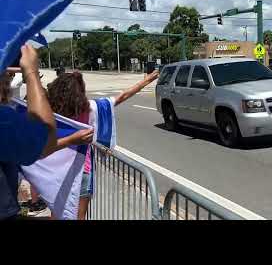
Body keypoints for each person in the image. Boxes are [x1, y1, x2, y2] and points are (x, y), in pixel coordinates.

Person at [47, 69, 159, 220]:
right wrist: (146, 81)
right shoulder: (90, 108)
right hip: (83, 169)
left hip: (57, 168)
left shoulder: (52, 113)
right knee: (80, 216)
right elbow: (122, 96)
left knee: (57, 211)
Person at [0, 45, 93, 220]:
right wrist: (31, 73)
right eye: (7, 75)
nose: (9, 79)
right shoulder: (4, 119)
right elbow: (44, 138)